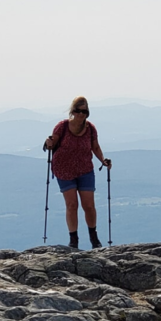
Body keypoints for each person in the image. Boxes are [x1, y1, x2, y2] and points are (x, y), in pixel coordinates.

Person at [44, 96, 111, 249]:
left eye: (84, 111)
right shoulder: (62, 127)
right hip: (64, 169)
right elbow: (52, 144)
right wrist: (48, 144)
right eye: (78, 111)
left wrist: (103, 160)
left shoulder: (91, 129)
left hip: (85, 169)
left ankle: (94, 238)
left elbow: (95, 147)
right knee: (72, 204)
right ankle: (73, 240)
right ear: (72, 111)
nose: (81, 114)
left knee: (89, 205)